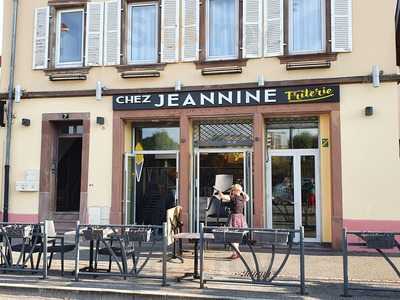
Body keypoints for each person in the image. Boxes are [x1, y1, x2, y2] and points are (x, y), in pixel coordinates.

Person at [219, 184, 249, 259]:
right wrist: (242, 192)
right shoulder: (243, 197)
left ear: (235, 191)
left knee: (231, 235)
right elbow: (248, 197)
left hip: (234, 217)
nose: (231, 191)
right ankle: (235, 253)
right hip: (241, 217)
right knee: (237, 236)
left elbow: (224, 197)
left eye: (232, 190)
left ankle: (237, 252)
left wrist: (220, 193)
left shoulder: (233, 198)